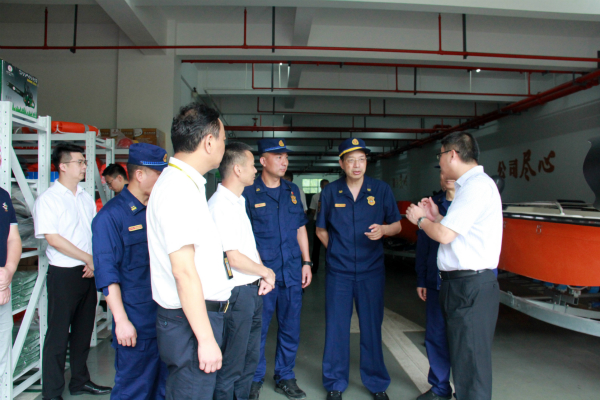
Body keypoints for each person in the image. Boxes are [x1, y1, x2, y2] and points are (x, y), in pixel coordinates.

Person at [406, 131, 502, 400]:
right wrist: (437, 216)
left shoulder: (476, 187)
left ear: (452, 154)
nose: (439, 162)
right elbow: (458, 231)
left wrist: (421, 220)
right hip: (461, 285)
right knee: (463, 358)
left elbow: (446, 235)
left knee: (471, 364)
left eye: (440, 155)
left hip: (470, 286)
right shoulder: (468, 187)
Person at [147, 103, 232, 400]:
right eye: (223, 139)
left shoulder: (185, 184)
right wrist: (205, 339)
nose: (223, 146)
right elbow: (183, 271)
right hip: (190, 324)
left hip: (193, 319)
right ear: (209, 142)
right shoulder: (178, 190)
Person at [316, 137, 402, 400]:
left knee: (372, 327)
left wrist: (384, 230)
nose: (357, 165)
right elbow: (320, 229)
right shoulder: (331, 192)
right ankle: (335, 383)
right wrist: (337, 250)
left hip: (371, 271)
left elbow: (397, 225)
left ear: (366, 162)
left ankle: (376, 383)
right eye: (351, 160)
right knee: (337, 328)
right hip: (339, 273)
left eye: (362, 160)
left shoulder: (381, 190)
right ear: (342, 163)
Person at [33, 143, 112, 399]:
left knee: (83, 332)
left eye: (84, 162)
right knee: (58, 335)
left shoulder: (85, 197)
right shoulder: (49, 199)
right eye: (80, 162)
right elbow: (53, 239)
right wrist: (88, 258)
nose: (84, 166)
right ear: (63, 166)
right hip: (64, 274)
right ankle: (52, 392)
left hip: (87, 272)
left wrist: (92, 262)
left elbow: (92, 233)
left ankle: (80, 381)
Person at [92, 143, 169, 400]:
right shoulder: (110, 217)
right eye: (159, 174)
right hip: (136, 322)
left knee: (162, 389)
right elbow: (107, 274)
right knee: (134, 390)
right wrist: (121, 321)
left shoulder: (158, 211)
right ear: (139, 174)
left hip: (164, 319)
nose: (163, 180)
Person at [243, 138, 312, 400]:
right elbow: (243, 237)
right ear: (263, 161)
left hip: (292, 272)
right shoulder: (248, 192)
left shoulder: (292, 190)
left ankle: (285, 375)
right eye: (278, 157)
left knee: (290, 328)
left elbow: (300, 228)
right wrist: (259, 271)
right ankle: (254, 378)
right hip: (263, 277)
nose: (284, 162)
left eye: (286, 157)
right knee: (257, 330)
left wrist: (307, 262)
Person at [208, 142, 277, 400]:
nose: (255, 170)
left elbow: (248, 245)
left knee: (250, 358)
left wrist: (260, 274)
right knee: (233, 363)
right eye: (251, 165)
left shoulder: (238, 201)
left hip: (251, 290)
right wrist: (266, 271)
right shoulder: (220, 205)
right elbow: (233, 256)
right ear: (237, 169)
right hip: (236, 294)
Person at [414, 170, 454, 400]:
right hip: (435, 281)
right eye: (443, 173)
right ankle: (439, 387)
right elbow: (424, 245)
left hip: (461, 284)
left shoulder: (468, 203)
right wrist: (422, 278)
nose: (448, 177)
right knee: (435, 336)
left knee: (463, 340)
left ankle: (466, 390)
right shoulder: (432, 204)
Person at [0, 185, 22, 399]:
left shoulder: (3, 195)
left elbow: (13, 238)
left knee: (1, 353)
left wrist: (8, 271)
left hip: (2, 288)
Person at [308, 179, 329, 274]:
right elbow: (312, 210)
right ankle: (314, 267)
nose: (326, 187)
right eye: (325, 185)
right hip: (318, 223)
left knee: (328, 245)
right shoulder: (315, 196)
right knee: (316, 247)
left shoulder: (332, 195)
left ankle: (329, 266)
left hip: (329, 224)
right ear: (321, 186)